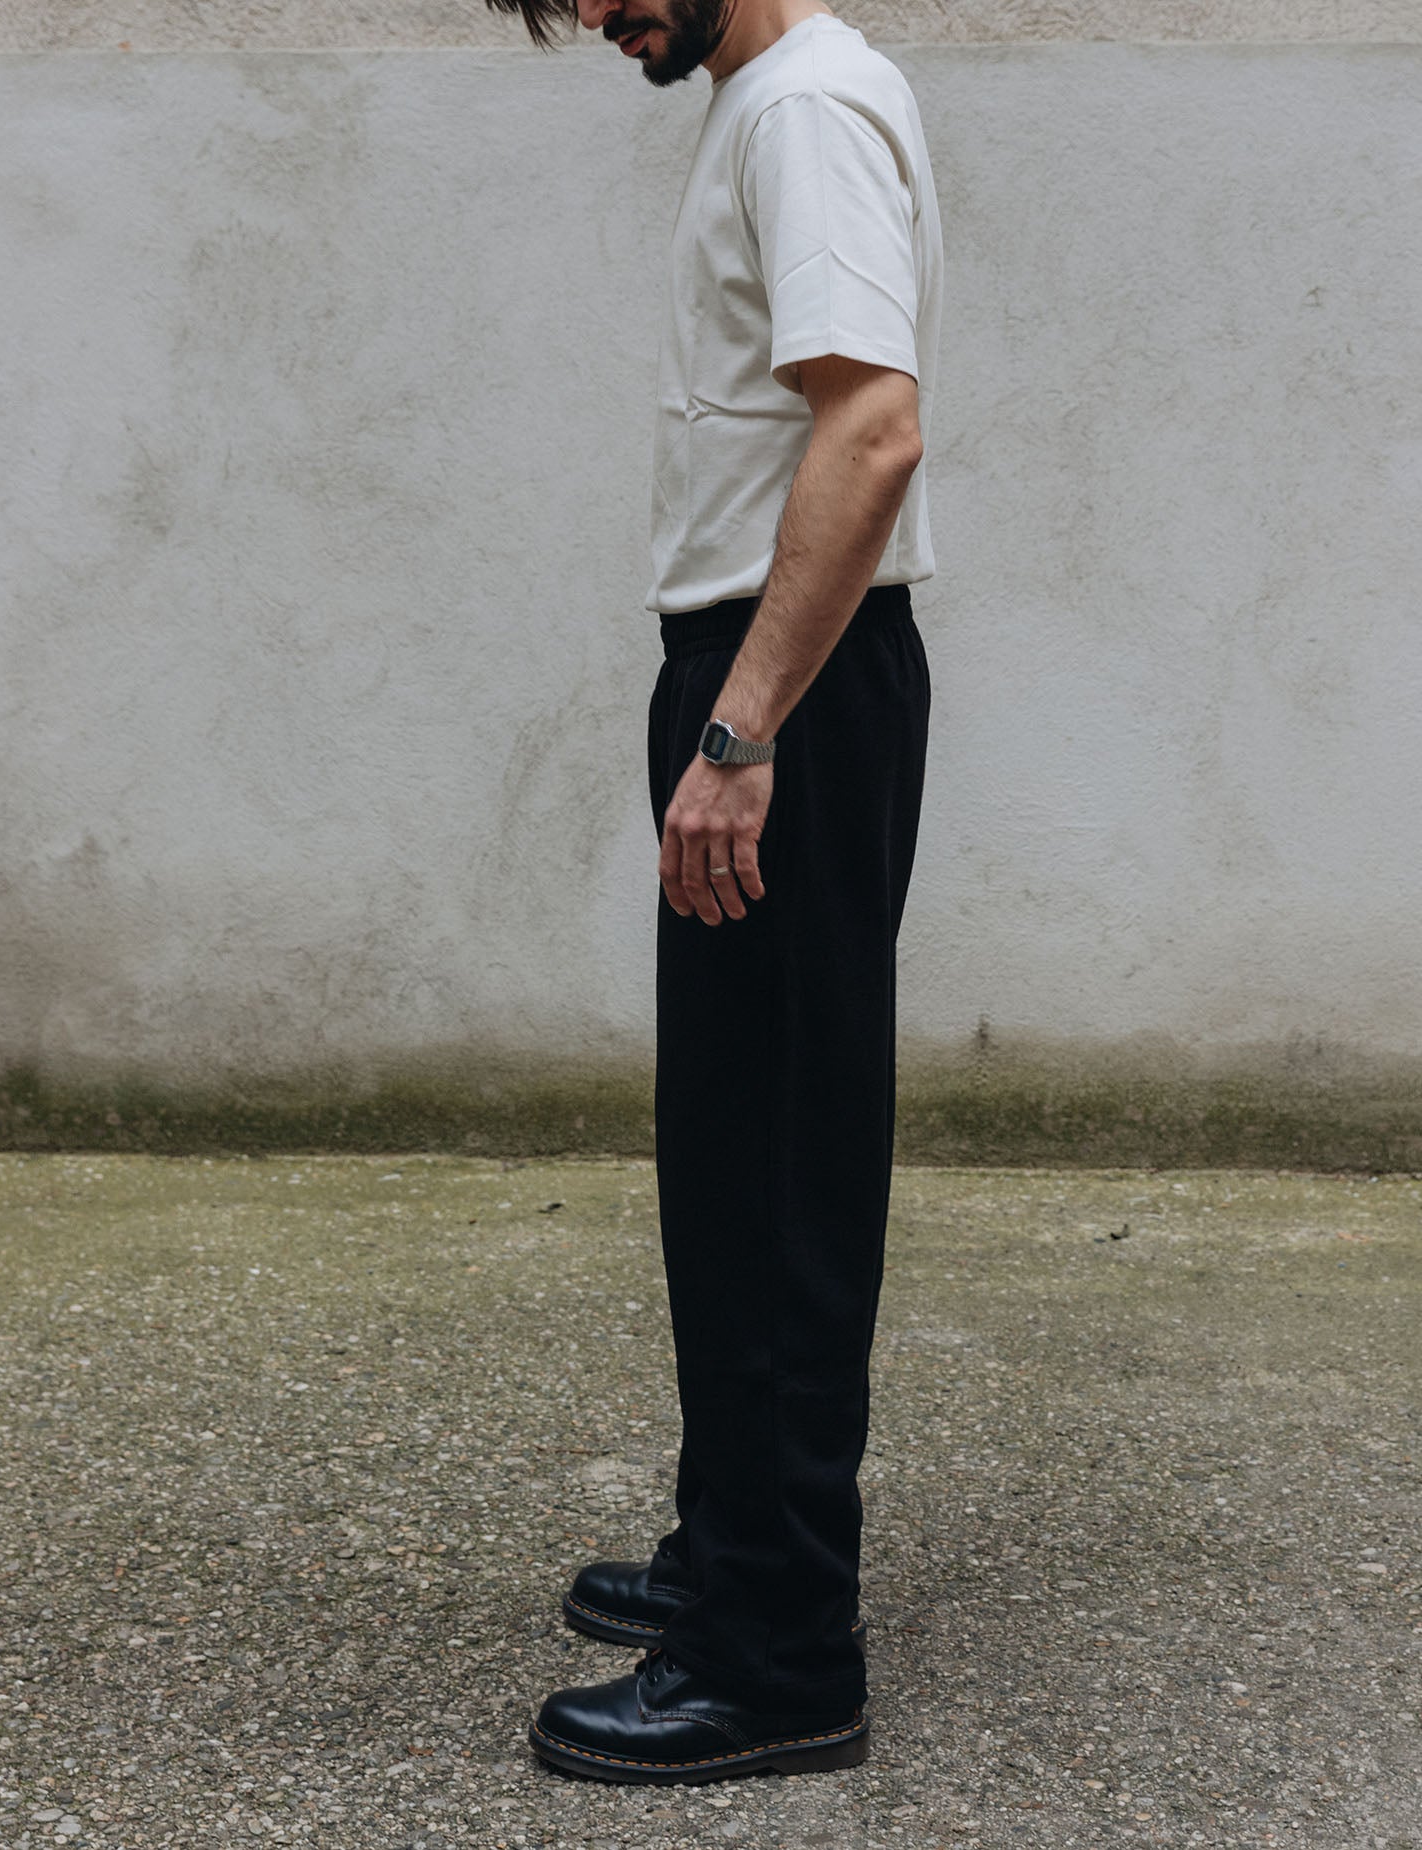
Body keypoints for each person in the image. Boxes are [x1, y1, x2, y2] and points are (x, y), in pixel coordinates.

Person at [485, 0, 944, 1785]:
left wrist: (743, 730)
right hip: (767, 675)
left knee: (776, 1167)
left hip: (785, 688)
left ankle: (779, 1654)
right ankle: (732, 1545)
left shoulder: (805, 108)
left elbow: (873, 428)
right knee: (730, 1148)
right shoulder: (770, 97)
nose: (594, 17)